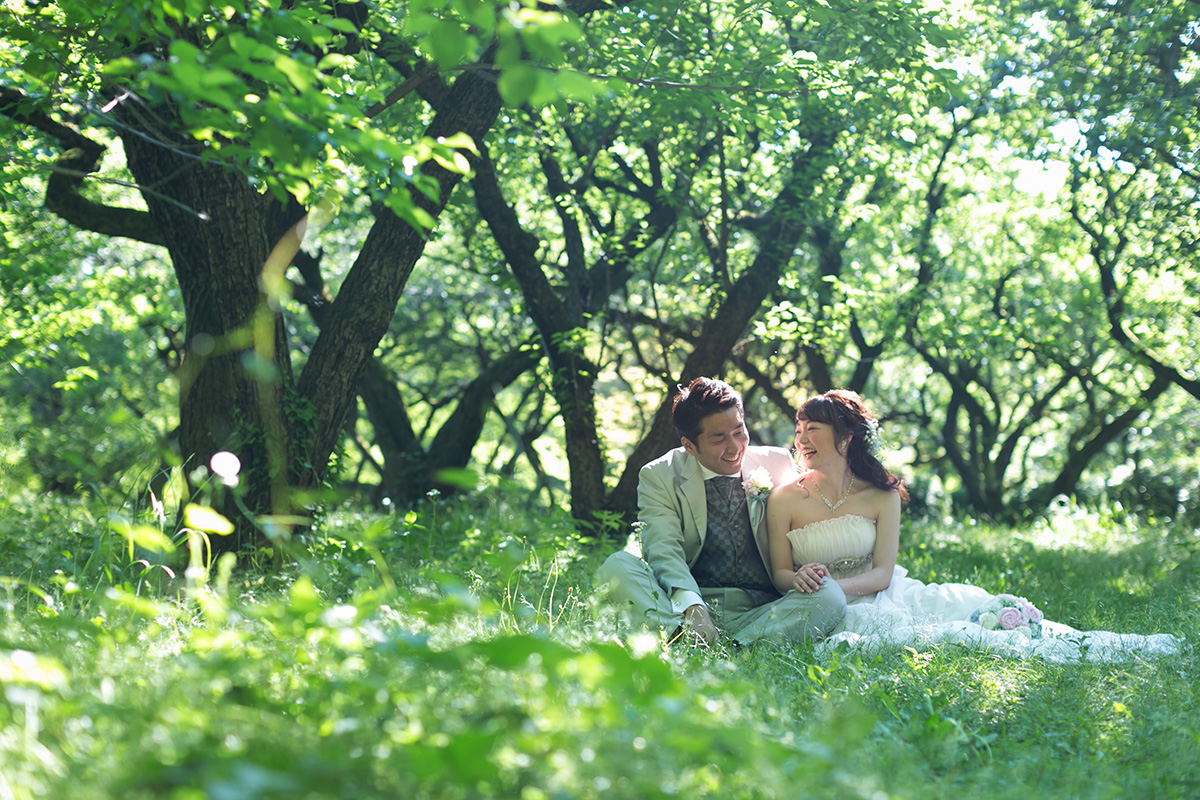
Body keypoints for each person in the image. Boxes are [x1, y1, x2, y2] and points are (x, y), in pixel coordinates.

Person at [768, 389, 1182, 662]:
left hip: (883, 592)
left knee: (978, 611)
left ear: (844, 437)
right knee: (954, 638)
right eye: (799, 429)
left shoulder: (882, 495)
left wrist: (838, 587)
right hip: (826, 608)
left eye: (813, 429)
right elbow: (779, 572)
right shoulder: (785, 497)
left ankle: (1093, 642)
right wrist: (804, 582)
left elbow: (882, 572)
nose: (801, 438)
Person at [597, 377, 846, 647]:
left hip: (765, 608)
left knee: (830, 595)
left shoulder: (777, 462)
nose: (735, 447)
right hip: (692, 603)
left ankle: (737, 647)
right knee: (617, 566)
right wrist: (694, 608)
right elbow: (663, 550)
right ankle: (682, 634)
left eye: (739, 432)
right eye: (719, 438)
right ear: (689, 445)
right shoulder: (659, 475)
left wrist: (805, 572)